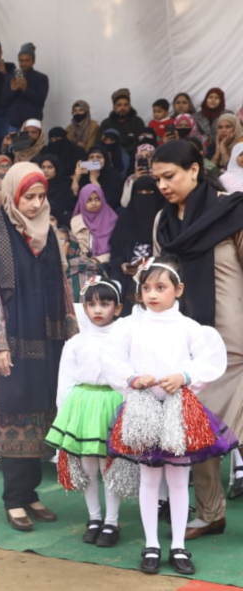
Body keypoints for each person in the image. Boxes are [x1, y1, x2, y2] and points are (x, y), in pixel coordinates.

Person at [105, 256, 238, 575]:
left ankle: (178, 544)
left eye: (160, 287)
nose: (152, 294)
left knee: (179, 481)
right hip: (143, 411)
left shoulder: (190, 329)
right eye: (146, 287)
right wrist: (133, 379)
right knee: (150, 480)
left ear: (178, 290)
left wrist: (185, 376)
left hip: (178, 413)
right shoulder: (128, 327)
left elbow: (210, 361)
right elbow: (111, 359)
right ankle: (151, 543)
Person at [0, 162, 78, 533]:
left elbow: (62, 283)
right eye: (27, 197)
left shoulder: (47, 231)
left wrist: (72, 336)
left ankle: (30, 493)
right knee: (14, 413)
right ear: (12, 195)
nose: (35, 204)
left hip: (46, 337)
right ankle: (13, 498)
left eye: (40, 196)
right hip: (11, 341)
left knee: (39, 414)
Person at [151, 140, 243, 541]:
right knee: (197, 428)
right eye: (156, 179)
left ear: (194, 170)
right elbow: (161, 284)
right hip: (192, 347)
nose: (163, 186)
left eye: (169, 176)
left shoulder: (233, 210)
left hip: (238, 346)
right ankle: (210, 513)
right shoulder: (163, 223)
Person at [45, 277, 125, 547]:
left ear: (118, 307)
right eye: (91, 304)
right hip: (83, 405)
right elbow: (65, 379)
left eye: (105, 303)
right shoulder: (76, 342)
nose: (98, 310)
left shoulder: (125, 339)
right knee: (88, 466)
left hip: (112, 405)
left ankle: (112, 522)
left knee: (109, 466)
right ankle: (94, 517)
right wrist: (63, 414)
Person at [109, 176, 165, 315]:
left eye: (149, 193)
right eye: (140, 193)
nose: (144, 198)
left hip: (158, 273)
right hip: (127, 275)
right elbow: (116, 251)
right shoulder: (125, 220)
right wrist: (122, 264)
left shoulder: (164, 219)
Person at [67, 184, 117, 297]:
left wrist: (98, 259)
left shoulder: (112, 219)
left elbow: (117, 250)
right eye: (89, 200)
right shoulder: (76, 221)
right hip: (82, 264)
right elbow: (74, 247)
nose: (94, 203)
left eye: (97, 199)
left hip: (106, 265)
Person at [1, 43, 48, 133]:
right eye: (21, 61)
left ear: (33, 61)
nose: (24, 63)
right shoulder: (11, 78)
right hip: (14, 126)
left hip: (32, 128)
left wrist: (25, 89)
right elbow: (3, 102)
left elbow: (40, 101)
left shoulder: (41, 78)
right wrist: (12, 91)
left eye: (27, 60)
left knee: (32, 148)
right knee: (14, 147)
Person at [99, 88, 147, 159]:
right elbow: (100, 144)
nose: (122, 108)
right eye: (119, 105)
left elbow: (141, 143)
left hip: (133, 157)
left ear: (129, 106)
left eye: (126, 105)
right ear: (114, 107)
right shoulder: (106, 123)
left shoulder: (138, 122)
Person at [32, 154, 75, 227]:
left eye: (50, 167)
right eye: (43, 167)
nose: (45, 170)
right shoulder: (37, 186)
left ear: (57, 169)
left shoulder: (66, 185)